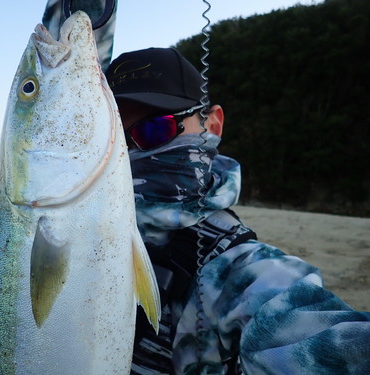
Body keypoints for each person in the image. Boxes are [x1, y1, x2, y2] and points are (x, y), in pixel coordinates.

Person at [42, 2, 370, 374]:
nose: (130, 152)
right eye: (116, 137)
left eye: (155, 129)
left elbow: (317, 339)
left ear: (212, 125)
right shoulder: (72, 215)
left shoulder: (237, 268)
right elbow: (62, 80)